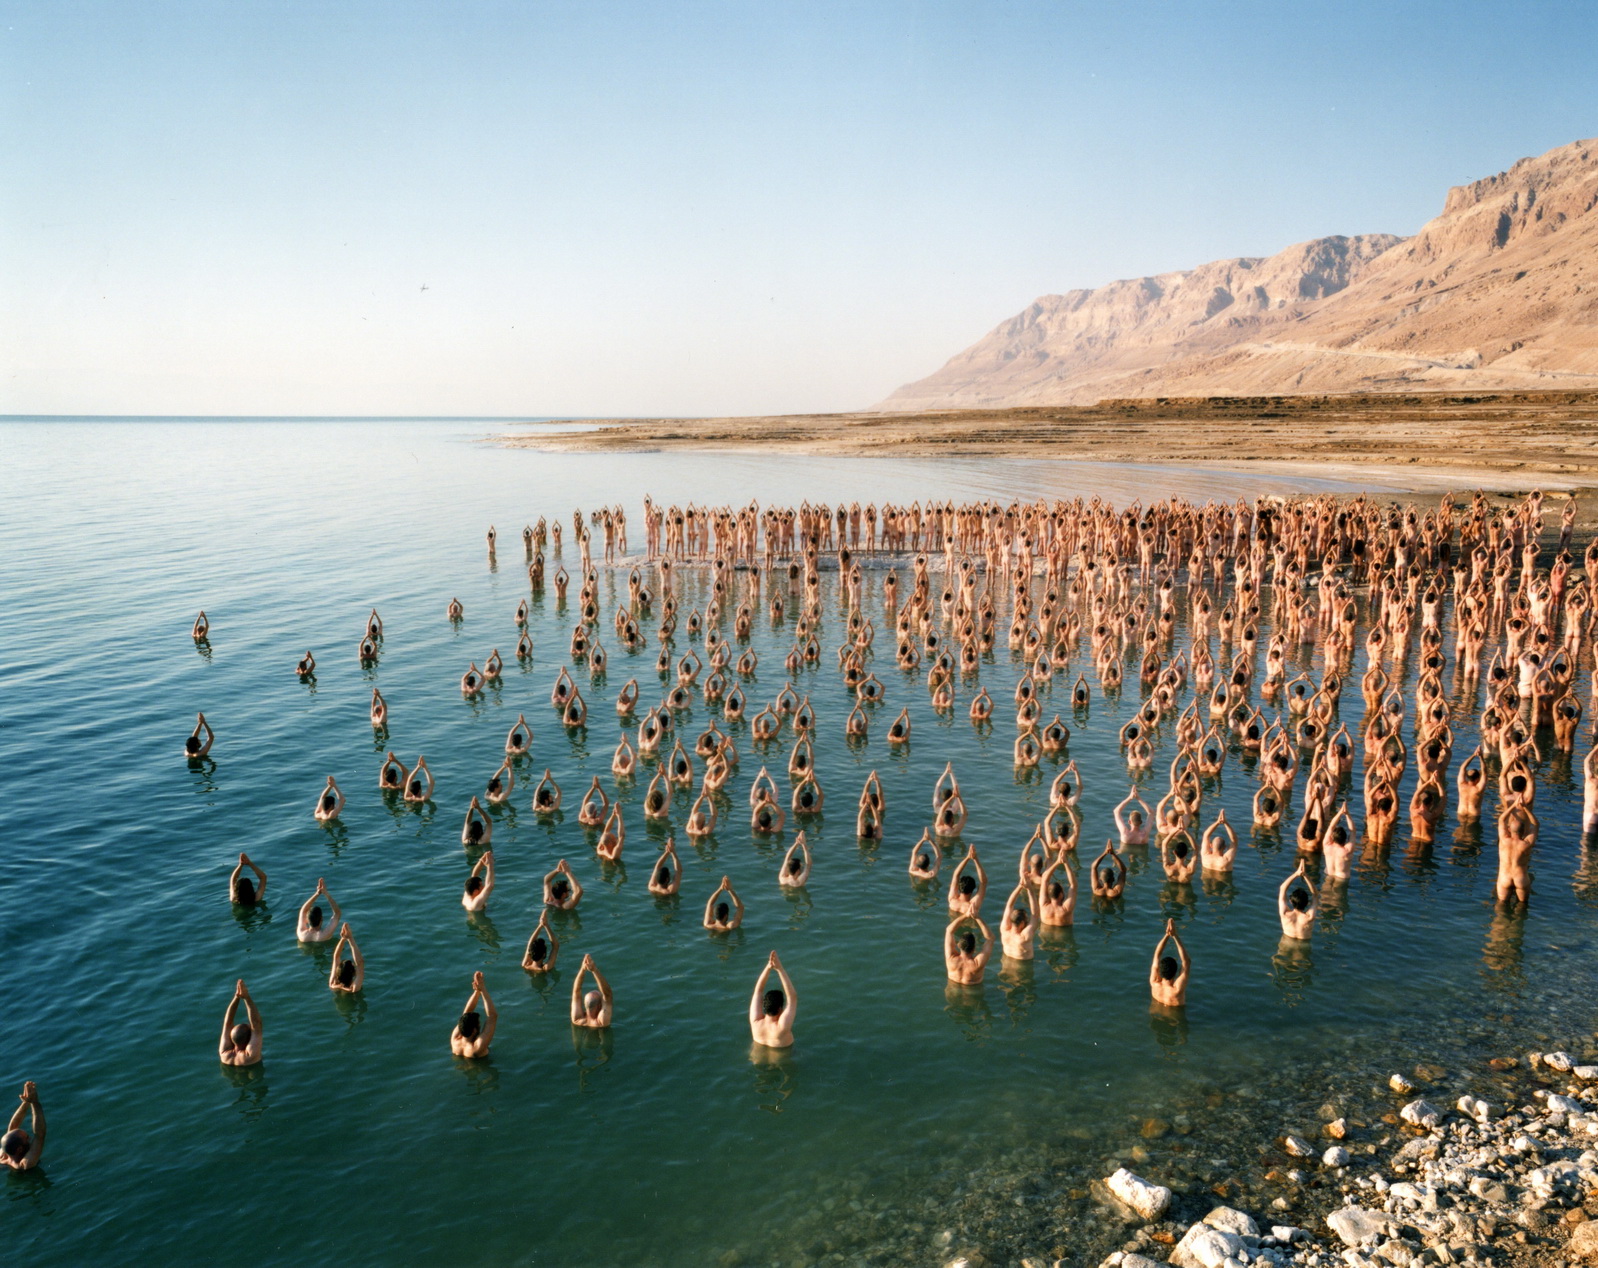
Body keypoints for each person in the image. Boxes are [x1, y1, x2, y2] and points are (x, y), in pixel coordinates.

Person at [749, 951, 797, 1048]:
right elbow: (792, 998)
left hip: (757, 1057)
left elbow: (758, 990)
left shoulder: (756, 1022)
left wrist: (768, 967)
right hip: (781, 1060)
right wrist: (780, 969)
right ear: (780, 1009)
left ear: (764, 1005)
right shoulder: (781, 1028)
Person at [1496, 803, 1538, 902]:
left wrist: (1513, 805)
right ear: (1524, 832)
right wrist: (1525, 808)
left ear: (1509, 830)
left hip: (1504, 877)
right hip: (1521, 878)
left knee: (1501, 906)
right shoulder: (1526, 843)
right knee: (1523, 906)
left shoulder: (1503, 840)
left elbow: (1501, 819)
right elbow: (1536, 824)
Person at [451, 971, 497, 1057]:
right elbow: (492, 1016)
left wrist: (477, 991)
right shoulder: (477, 1048)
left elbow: (466, 1013)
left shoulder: (455, 1040)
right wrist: (483, 989)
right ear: (474, 1030)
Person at [1, 1082, 45, 1171]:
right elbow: (40, 1135)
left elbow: (12, 1128)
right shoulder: (25, 1164)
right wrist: (35, 1102)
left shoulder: (3, 1154)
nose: (29, 1138)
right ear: (19, 1149)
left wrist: (27, 1102)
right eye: (27, 1138)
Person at [219, 979, 263, 1067]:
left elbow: (227, 1023)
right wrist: (247, 997)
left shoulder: (224, 1053)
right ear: (249, 1040)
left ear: (231, 1038)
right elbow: (256, 1023)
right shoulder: (250, 1055)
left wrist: (236, 997)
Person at [1148, 918, 1190, 1007]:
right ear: (1176, 973)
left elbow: (1157, 955)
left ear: (1159, 971)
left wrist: (1167, 935)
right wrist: (1175, 935)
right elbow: (1186, 962)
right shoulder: (1177, 990)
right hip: (1175, 1019)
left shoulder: (1154, 982)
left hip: (1156, 1012)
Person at [944, 913, 993, 985]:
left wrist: (966, 915)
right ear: (974, 948)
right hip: (973, 993)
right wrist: (977, 917)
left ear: (959, 945)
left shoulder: (951, 959)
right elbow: (990, 938)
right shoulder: (977, 964)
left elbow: (949, 930)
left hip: (952, 991)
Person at [569, 954, 614, 1029]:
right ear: (599, 1006)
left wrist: (582, 969)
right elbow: (607, 994)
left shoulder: (577, 1019)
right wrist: (594, 970)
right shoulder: (601, 1022)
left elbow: (576, 991)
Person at [1278, 862, 1317, 939]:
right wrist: (1305, 876)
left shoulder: (1285, 914)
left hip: (1286, 944)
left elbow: (1282, 888)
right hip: (1303, 947)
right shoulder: (1309, 917)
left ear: (1291, 901)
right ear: (1307, 903)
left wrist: (1296, 874)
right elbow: (1315, 894)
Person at [296, 878, 341, 943]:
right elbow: (337, 913)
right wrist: (326, 893)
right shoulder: (324, 935)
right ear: (321, 919)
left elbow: (303, 910)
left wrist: (317, 894)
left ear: (307, 920)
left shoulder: (301, 935)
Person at [999, 883, 1036, 960]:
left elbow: (1009, 905)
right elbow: (1035, 914)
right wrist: (1030, 889)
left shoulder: (1004, 930)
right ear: (1022, 923)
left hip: (1006, 966)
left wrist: (1020, 885)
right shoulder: (1024, 937)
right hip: (1023, 970)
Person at [948, 844, 986, 916]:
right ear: (973, 889)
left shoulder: (952, 900)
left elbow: (956, 874)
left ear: (959, 887)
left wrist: (967, 857)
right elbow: (983, 882)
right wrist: (975, 859)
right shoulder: (972, 906)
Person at [1037, 855, 1077, 926]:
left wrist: (1057, 862)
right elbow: (1073, 885)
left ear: (1049, 894)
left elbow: (1044, 880)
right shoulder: (1066, 909)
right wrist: (1066, 863)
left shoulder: (1043, 906)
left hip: (1046, 935)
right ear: (1060, 895)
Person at [329, 923, 364, 993]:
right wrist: (350, 938)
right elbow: (360, 963)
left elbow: (336, 956)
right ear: (354, 973)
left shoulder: (333, 983)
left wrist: (343, 938)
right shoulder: (354, 988)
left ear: (337, 974)